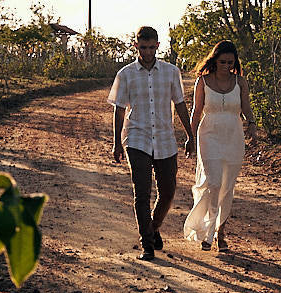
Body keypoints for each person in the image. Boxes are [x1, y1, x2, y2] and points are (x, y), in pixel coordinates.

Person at [108, 26, 194, 261]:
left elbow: (180, 104)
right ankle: (146, 243)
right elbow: (119, 110)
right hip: (136, 138)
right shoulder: (125, 74)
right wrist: (117, 142)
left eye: (150, 47)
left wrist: (190, 134)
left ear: (157, 45)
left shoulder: (171, 72)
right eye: (142, 47)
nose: (146, 52)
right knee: (141, 193)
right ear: (136, 46)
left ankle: (154, 227)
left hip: (165, 138)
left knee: (168, 192)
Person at [183, 40, 258, 252]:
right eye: (223, 61)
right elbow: (196, 111)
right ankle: (207, 233)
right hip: (209, 136)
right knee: (213, 183)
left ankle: (220, 232)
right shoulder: (203, 82)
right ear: (214, 60)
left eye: (231, 62)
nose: (227, 66)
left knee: (226, 187)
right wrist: (190, 135)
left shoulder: (240, 82)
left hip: (233, 137)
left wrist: (252, 125)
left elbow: (246, 108)